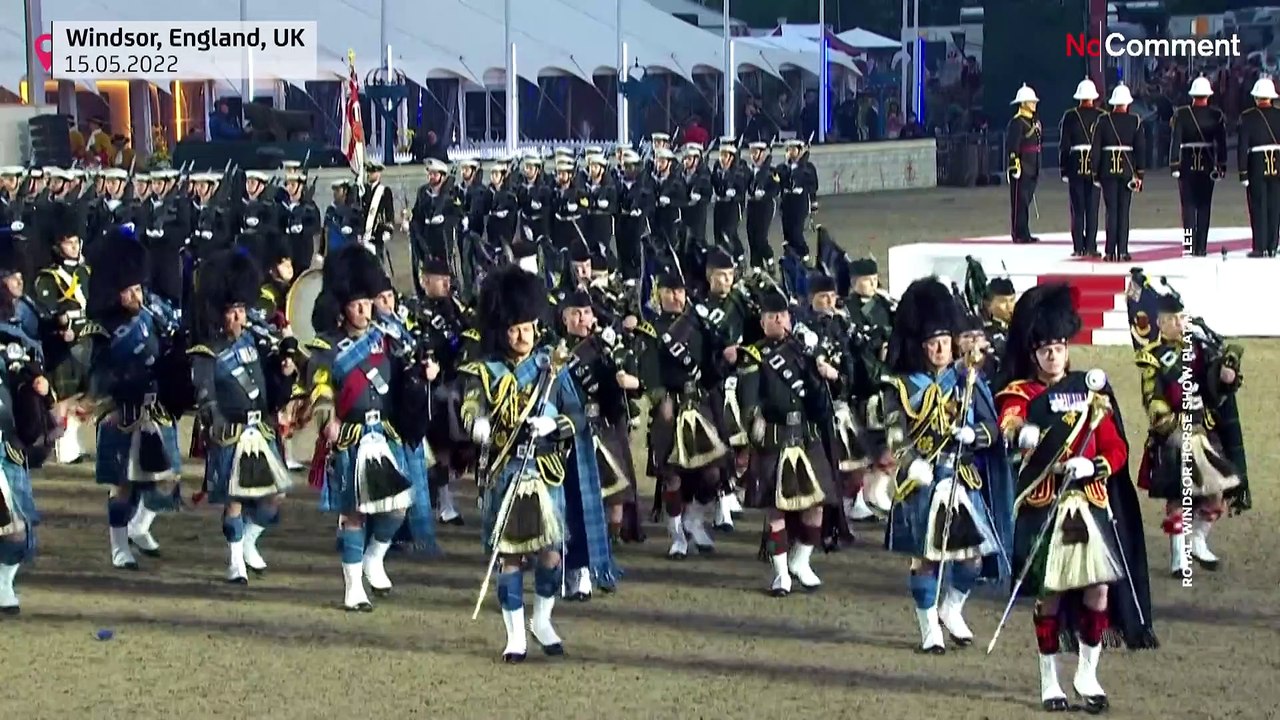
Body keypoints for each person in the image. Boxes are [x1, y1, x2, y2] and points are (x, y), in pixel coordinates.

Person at [995, 283, 1157, 713]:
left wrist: (1095, 466)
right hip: (1044, 503)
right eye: (1046, 348)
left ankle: (1088, 672)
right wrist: (1022, 433)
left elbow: (1116, 447)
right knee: (1049, 594)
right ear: (1034, 353)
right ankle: (1049, 677)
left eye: (1060, 347)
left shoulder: (1092, 390)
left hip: (1088, 501)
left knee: (1098, 591)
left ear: (1068, 350)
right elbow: (1009, 426)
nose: (1053, 355)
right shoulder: (1020, 395)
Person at [459, 264, 617, 661]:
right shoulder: (486, 370)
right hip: (507, 472)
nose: (522, 335)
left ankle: (542, 620)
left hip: (546, 473)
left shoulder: (553, 366)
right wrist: (476, 422)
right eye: (514, 329)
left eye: (527, 327)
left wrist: (553, 424)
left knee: (552, 554)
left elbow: (579, 417)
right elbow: (471, 403)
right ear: (501, 330)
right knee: (511, 556)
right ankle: (515, 635)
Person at [879, 277, 1011, 653]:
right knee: (925, 560)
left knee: (971, 559)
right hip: (923, 478)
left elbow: (990, 425)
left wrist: (976, 437)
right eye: (933, 343)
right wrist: (908, 465)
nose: (941, 349)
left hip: (959, 475)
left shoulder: (969, 380)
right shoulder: (903, 385)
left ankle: (951, 609)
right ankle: (927, 626)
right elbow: (895, 434)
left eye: (945, 341)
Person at [305, 245, 436, 611]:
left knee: (396, 508)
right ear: (342, 306)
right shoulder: (327, 346)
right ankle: (352, 588)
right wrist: (326, 418)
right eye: (357, 304)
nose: (365, 310)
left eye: (368, 302)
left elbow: (406, 373)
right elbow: (319, 386)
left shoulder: (389, 336)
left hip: (385, 433)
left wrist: (424, 375)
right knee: (354, 513)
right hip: (351, 436)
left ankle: (373, 558)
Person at [189, 250, 297, 583]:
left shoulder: (256, 341)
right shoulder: (206, 352)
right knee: (235, 499)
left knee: (275, 496)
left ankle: (248, 541)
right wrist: (215, 422)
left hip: (260, 429)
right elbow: (204, 394)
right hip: (230, 433)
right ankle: (235, 562)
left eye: (241, 311)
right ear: (218, 315)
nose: (239, 318)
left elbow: (269, 390)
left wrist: (285, 372)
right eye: (232, 312)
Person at [83, 224, 186, 570]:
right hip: (122, 410)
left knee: (168, 479)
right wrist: (117, 390)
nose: (136, 295)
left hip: (155, 406)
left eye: (138, 287)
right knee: (123, 483)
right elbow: (97, 374)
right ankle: (118, 546)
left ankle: (140, 527)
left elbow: (175, 337)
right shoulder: (101, 328)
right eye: (129, 290)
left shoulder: (154, 309)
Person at [736, 291, 838, 594]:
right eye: (772, 316)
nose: (778, 320)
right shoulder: (753, 356)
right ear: (762, 321)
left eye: (782, 315)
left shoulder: (804, 352)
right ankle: (781, 572)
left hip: (807, 437)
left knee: (817, 505)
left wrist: (824, 375)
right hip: (774, 439)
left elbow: (824, 398)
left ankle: (801, 561)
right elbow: (749, 405)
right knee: (776, 509)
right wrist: (760, 437)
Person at [1134, 293, 1242, 575]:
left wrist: (1226, 375)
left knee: (1216, 490)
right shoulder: (1152, 357)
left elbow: (1213, 385)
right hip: (1172, 432)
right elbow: (1152, 396)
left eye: (1183, 318)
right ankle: (1179, 554)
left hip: (1203, 427)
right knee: (1178, 496)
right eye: (1174, 319)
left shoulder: (1199, 347)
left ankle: (1198, 539)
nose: (1181, 324)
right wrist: (1169, 425)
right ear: (1162, 322)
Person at [1170, 76, 1228, 257]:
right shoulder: (1216, 115)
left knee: (1187, 207)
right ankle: (1201, 247)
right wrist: (1222, 164)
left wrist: (1174, 164)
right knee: (1204, 206)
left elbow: (1176, 141)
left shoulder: (1182, 114)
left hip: (1186, 164)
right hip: (1208, 164)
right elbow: (1222, 143)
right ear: (1208, 95)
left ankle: (1188, 246)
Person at [1091, 82, 1145, 263]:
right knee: (1124, 211)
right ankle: (1123, 250)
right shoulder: (1135, 121)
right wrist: (1140, 174)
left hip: (1107, 170)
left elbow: (1096, 149)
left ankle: (1109, 251)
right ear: (1127, 103)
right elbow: (1140, 150)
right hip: (1128, 171)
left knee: (1110, 211)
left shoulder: (1103, 121)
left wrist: (1095, 173)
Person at [1059, 79, 1104, 258]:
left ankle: (1078, 246)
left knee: (1077, 209)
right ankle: (1091, 246)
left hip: (1075, 164)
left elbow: (1064, 145)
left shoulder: (1070, 116)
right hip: (1095, 164)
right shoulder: (1101, 115)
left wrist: (1063, 168)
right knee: (1092, 208)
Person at [1237, 76, 1280, 257]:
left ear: (1256, 97)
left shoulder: (1247, 117)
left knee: (1258, 206)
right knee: (1275, 206)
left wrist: (1243, 173)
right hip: (1277, 163)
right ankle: (1272, 246)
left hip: (1256, 165)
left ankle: (1259, 247)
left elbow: (1242, 147)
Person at [1006, 84, 1043, 244]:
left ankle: (1025, 231)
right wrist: (1014, 164)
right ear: (1023, 103)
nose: (1034, 103)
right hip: (1022, 165)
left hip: (1033, 164)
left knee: (1026, 201)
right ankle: (1018, 232)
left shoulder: (1033, 121)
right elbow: (1012, 145)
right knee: (1019, 201)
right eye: (1030, 101)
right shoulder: (1017, 122)